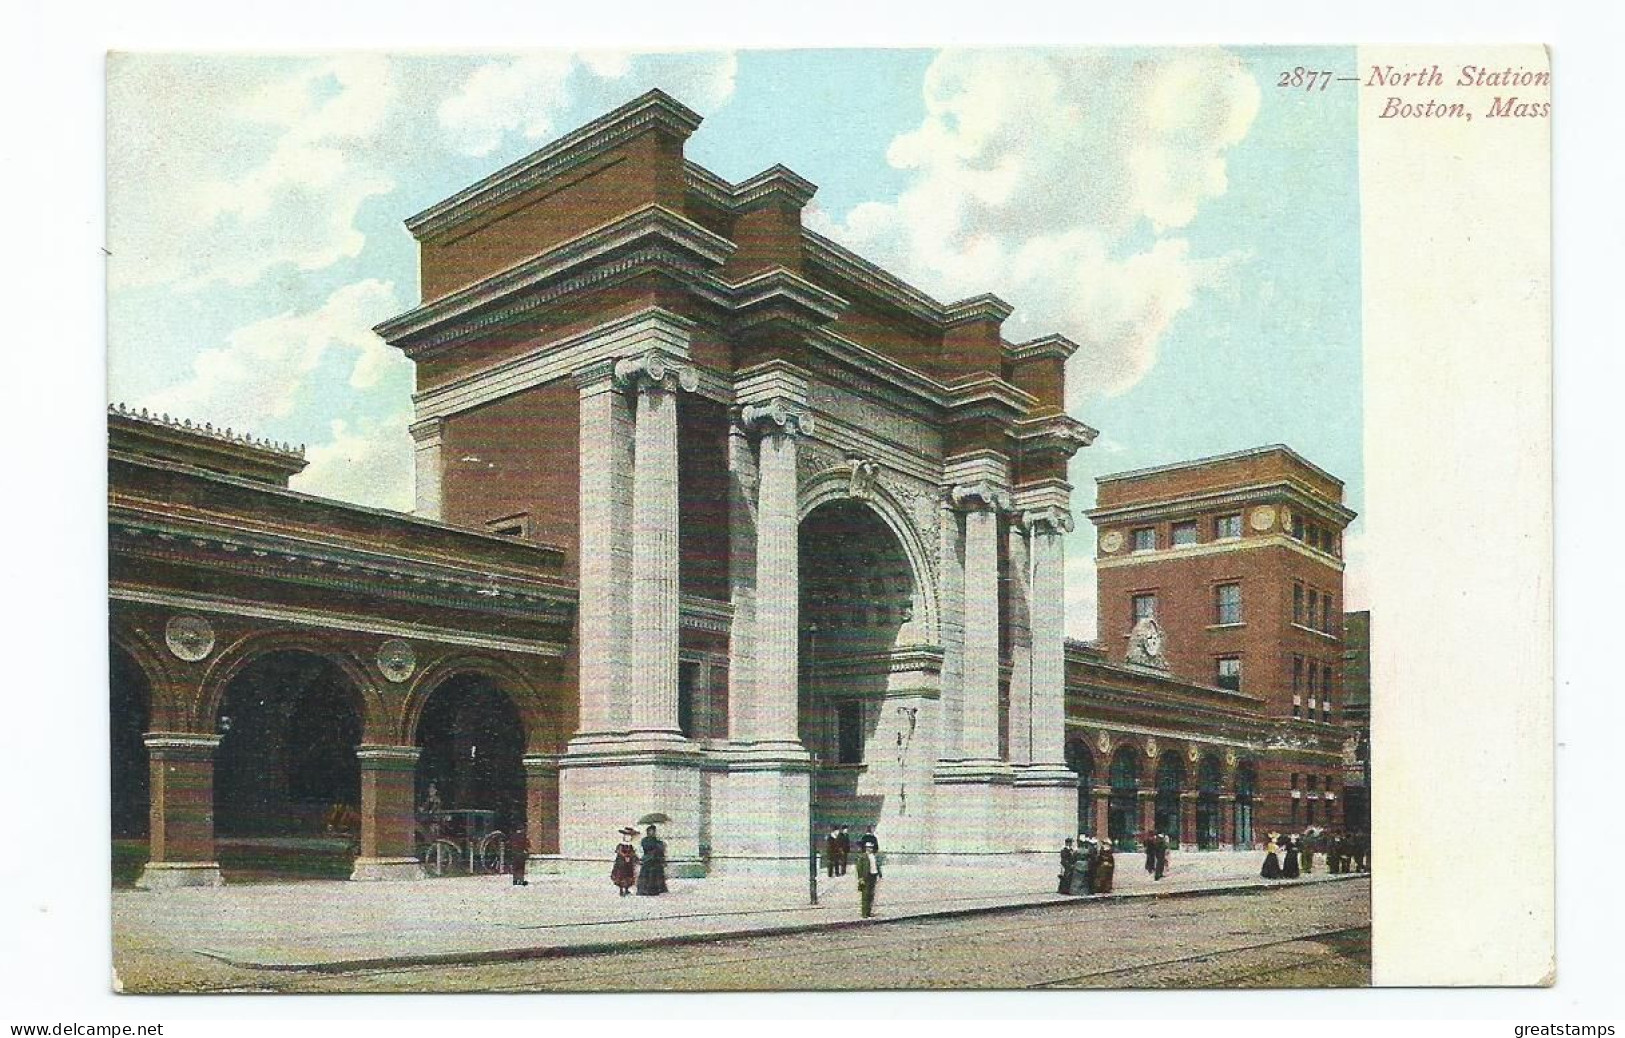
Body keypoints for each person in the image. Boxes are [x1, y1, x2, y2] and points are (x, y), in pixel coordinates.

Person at [636, 824, 668, 896]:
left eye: (653, 831)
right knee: (646, 875)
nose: (652, 832)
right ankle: (644, 890)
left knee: (655, 875)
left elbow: (660, 850)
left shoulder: (657, 840)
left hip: (656, 860)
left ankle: (655, 890)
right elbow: (646, 847)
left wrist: (661, 845)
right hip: (648, 860)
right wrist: (656, 846)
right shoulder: (645, 840)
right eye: (650, 831)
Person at [856, 840, 882, 917]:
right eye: (869, 847)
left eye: (871, 847)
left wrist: (879, 874)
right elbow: (859, 868)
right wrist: (860, 878)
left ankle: (868, 912)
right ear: (866, 848)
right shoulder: (862, 856)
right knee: (865, 895)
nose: (870, 849)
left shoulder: (874, 856)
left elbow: (877, 866)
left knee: (871, 895)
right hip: (866, 877)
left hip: (873, 876)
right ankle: (864, 913)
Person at [611, 828, 639, 896]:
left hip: (628, 863)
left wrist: (631, 856)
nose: (628, 837)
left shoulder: (630, 845)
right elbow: (619, 851)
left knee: (628, 875)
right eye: (627, 835)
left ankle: (626, 889)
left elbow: (633, 852)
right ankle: (621, 890)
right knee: (620, 875)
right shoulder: (621, 844)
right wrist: (624, 855)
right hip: (621, 862)